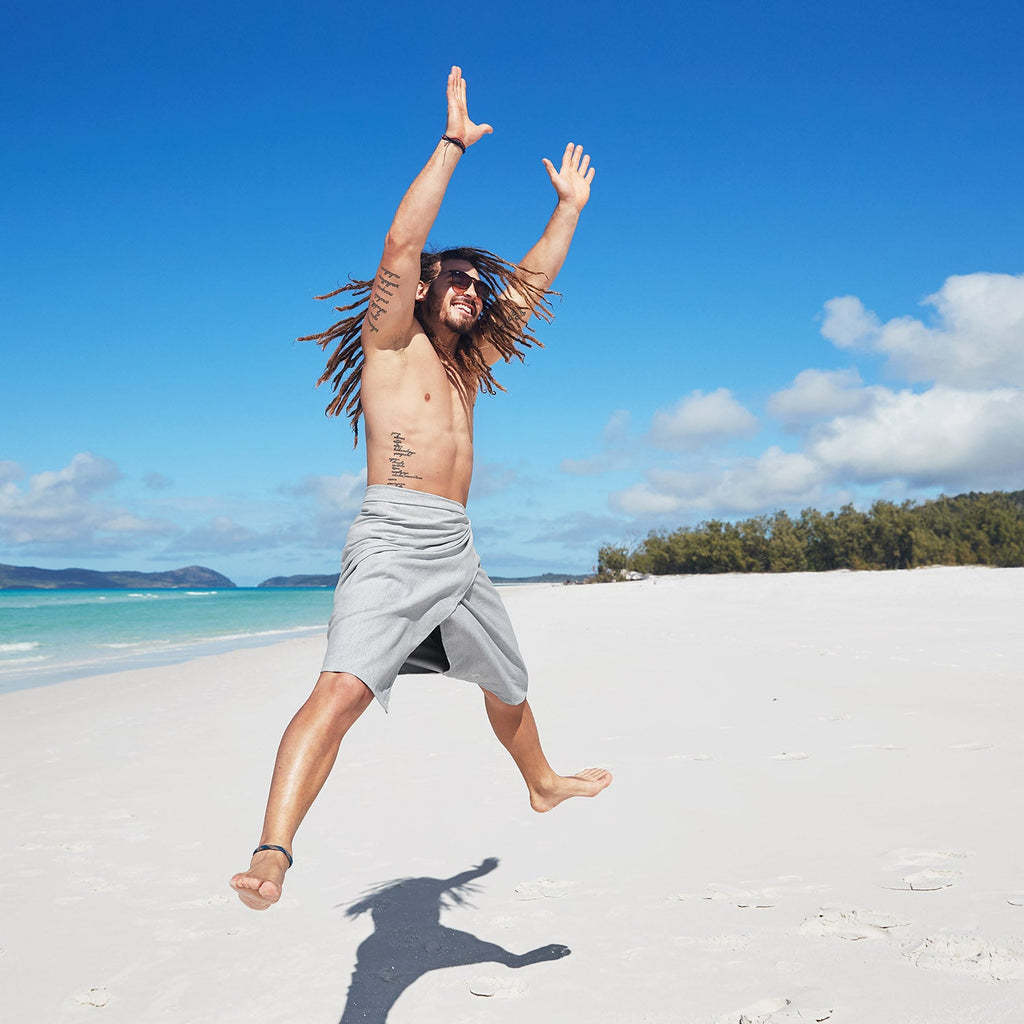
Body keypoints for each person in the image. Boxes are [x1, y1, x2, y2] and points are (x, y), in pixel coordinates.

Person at [230, 66, 611, 912]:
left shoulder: (467, 367)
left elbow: (533, 291)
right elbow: (401, 246)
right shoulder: (391, 344)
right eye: (461, 279)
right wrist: (450, 146)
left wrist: (568, 211)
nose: (475, 291)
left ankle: (541, 782)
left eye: (481, 285)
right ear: (428, 287)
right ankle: (272, 850)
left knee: (507, 683)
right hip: (395, 536)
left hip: (458, 547)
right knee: (342, 690)